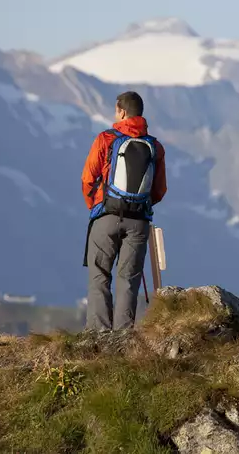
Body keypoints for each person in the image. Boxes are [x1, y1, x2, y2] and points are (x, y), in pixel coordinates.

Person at [81, 91, 167, 331]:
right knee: (128, 279)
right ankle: (123, 337)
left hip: (106, 216)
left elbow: (88, 178)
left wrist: (97, 207)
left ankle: (99, 333)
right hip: (138, 222)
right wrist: (139, 207)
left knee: (100, 276)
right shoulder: (155, 147)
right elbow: (159, 189)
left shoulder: (106, 139)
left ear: (121, 111)